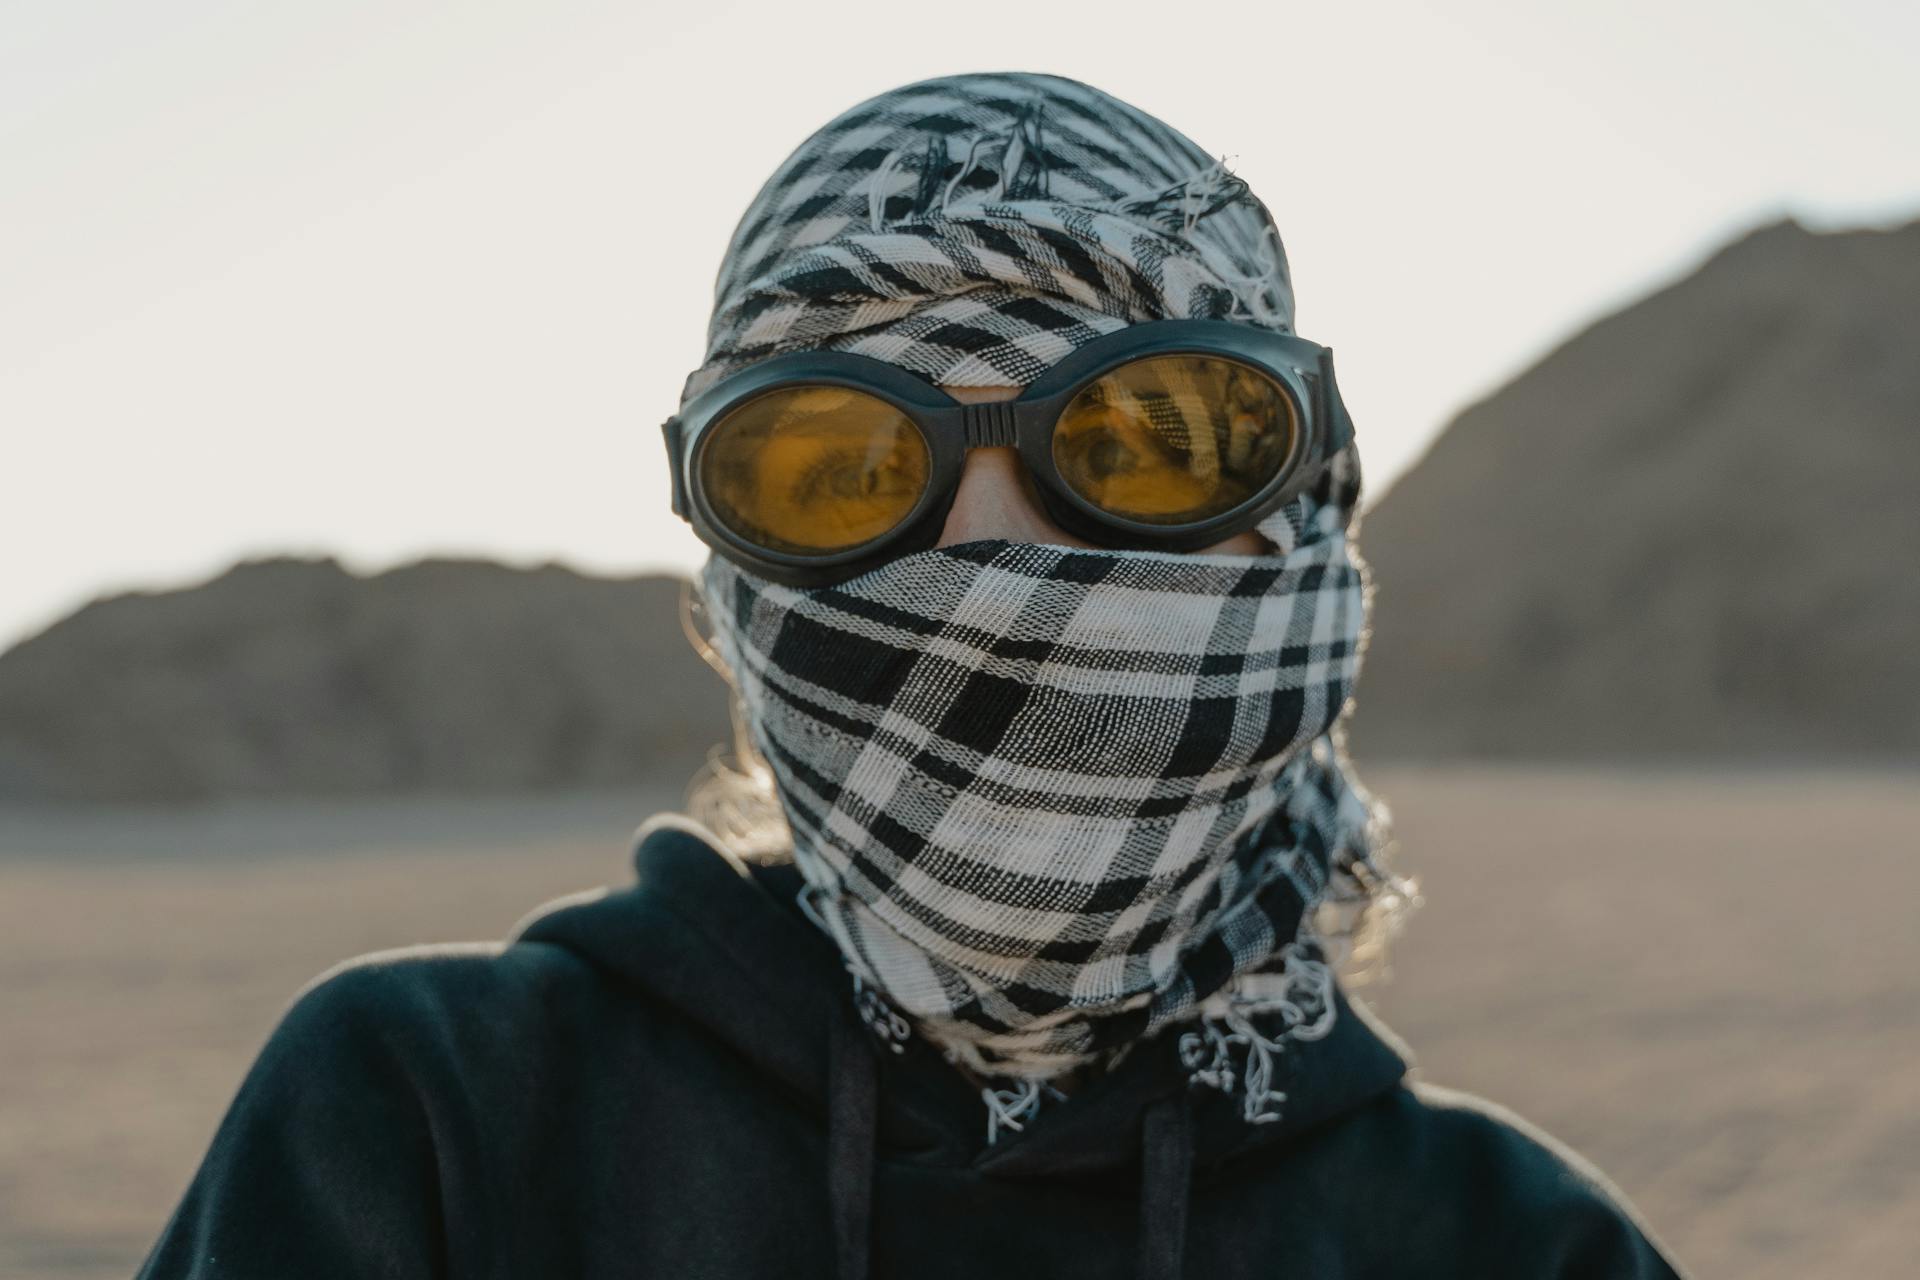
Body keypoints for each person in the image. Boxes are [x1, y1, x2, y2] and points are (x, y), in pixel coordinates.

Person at [136, 72, 1689, 1279]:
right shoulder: (429, 1122)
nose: (996, 569)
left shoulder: (1512, 1245)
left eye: (1154, 440)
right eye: (837, 467)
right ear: (736, 576)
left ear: (1300, 523)